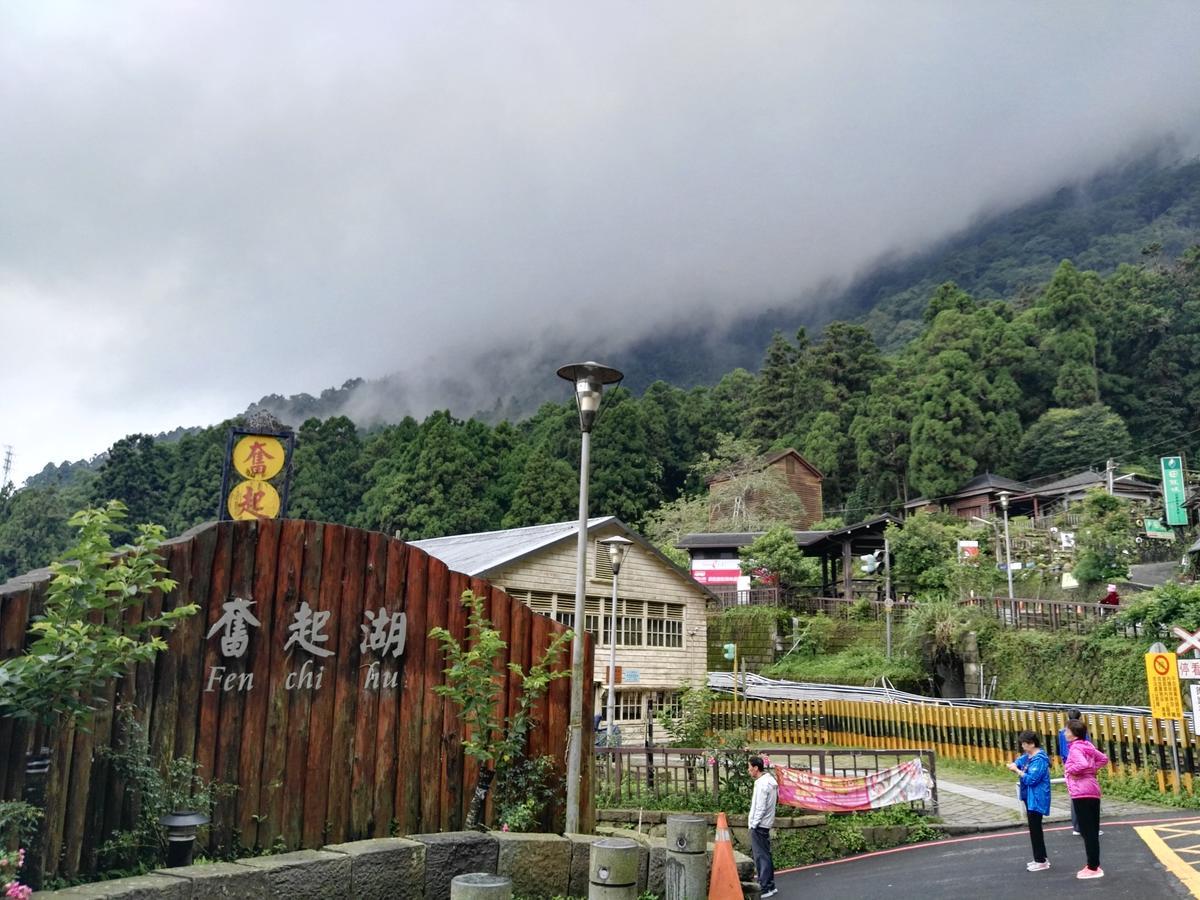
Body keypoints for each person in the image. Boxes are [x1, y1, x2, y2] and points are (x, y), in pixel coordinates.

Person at [1064, 718, 1110, 879]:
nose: (1064, 732)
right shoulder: (1088, 746)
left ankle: (1093, 867)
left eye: (1067, 730)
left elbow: (1082, 764)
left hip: (1081, 791)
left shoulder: (1075, 748)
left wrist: (1071, 770)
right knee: (1092, 830)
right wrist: (1092, 770)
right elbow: (1103, 759)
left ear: (1074, 734)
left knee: (1087, 831)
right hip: (1093, 789)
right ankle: (1093, 864)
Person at [1007, 730, 1051, 871]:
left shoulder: (1039, 759)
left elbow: (1032, 779)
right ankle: (1040, 858)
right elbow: (1019, 761)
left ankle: (1041, 861)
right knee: (1033, 828)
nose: (1022, 747)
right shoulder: (1028, 756)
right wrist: (1015, 765)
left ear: (1031, 744)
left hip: (1036, 797)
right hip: (1029, 796)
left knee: (1035, 828)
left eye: (1024, 744)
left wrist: (1017, 771)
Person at [747, 755, 778, 899]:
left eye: (749, 767)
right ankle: (770, 885)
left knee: (761, 857)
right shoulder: (771, 781)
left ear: (755, 768)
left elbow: (760, 806)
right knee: (766, 855)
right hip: (766, 823)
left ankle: (765, 887)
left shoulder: (761, 784)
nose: (748, 770)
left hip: (759, 824)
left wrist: (753, 823)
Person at [1056, 710, 1082, 834]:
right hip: (1079, 764)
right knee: (1084, 795)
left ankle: (1076, 826)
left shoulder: (1062, 732)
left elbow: (1061, 750)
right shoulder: (1080, 731)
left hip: (1068, 763)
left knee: (1074, 794)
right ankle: (1083, 826)